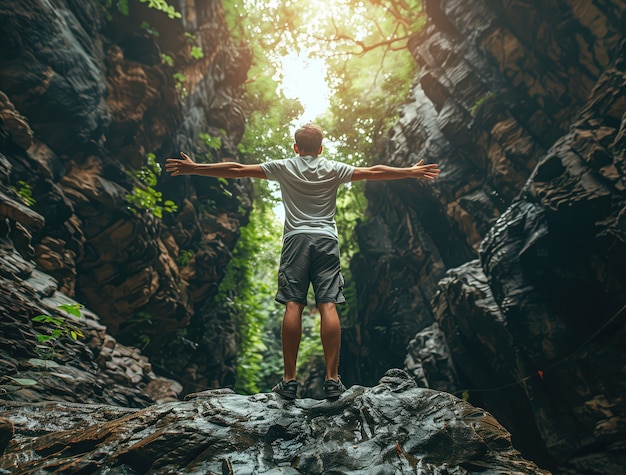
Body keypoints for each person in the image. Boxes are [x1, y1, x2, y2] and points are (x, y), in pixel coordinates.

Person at [165, 123, 440, 400]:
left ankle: (288, 380)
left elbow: (237, 169)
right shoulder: (333, 168)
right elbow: (373, 172)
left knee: (294, 304)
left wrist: (195, 167)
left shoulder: (285, 166)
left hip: (296, 241)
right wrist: (411, 172)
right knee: (328, 304)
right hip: (326, 241)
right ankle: (332, 379)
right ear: (320, 149)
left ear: (296, 147)